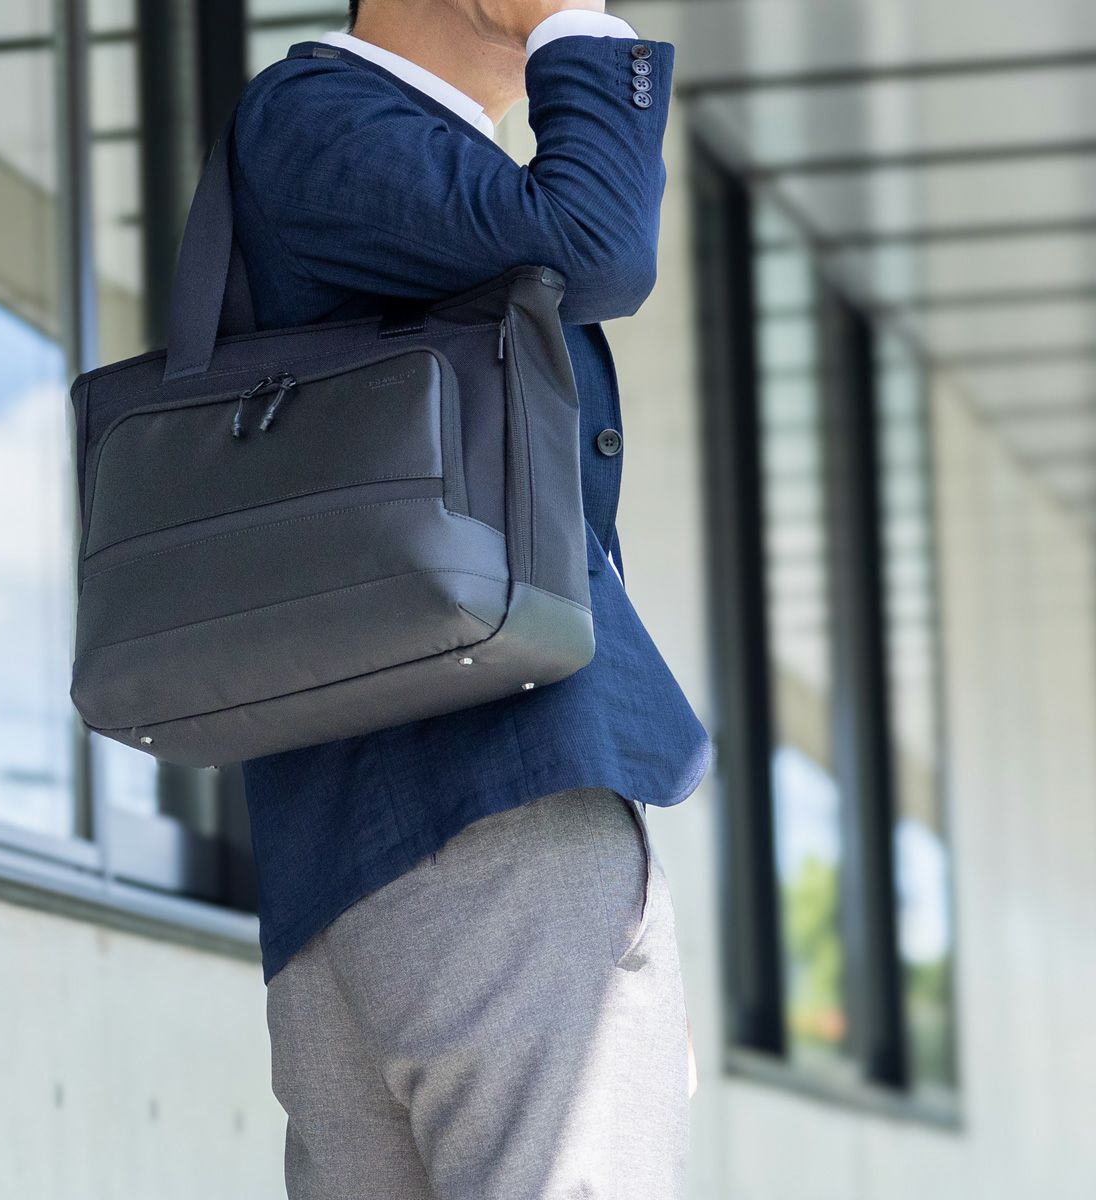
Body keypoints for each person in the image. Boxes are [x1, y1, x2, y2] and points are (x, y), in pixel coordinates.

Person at [229, 2, 711, 1195]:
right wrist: (573, 27)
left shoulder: (386, 157)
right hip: (491, 827)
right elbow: (597, 243)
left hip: (370, 860)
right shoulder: (322, 113)